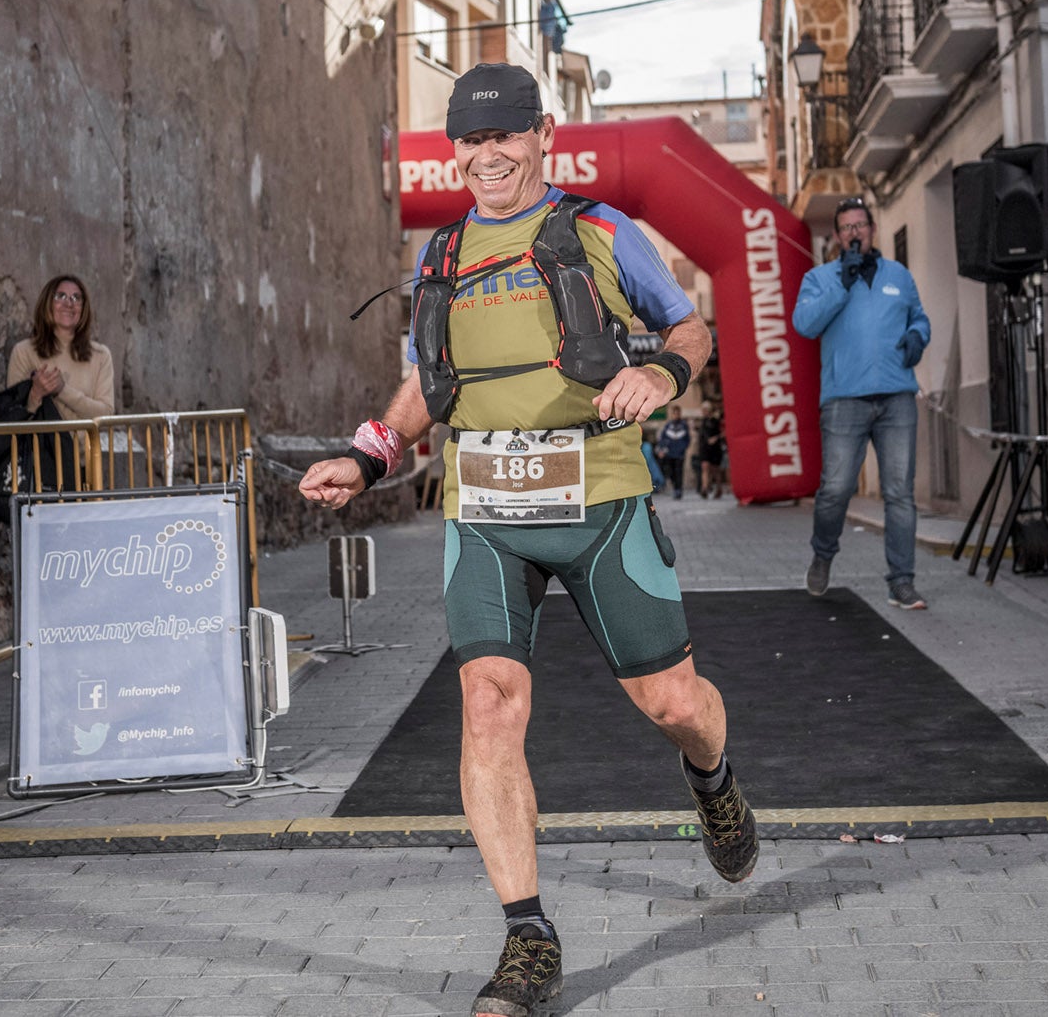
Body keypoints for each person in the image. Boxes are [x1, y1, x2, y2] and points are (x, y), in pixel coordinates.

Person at [300, 63, 757, 1017]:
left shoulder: (599, 230)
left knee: (673, 700)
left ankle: (712, 778)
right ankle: (528, 937)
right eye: (470, 139)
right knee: (488, 706)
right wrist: (367, 454)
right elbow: (432, 386)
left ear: (543, 134)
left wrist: (665, 377)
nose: (487, 155)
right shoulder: (441, 254)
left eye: (506, 136)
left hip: (598, 501)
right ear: (454, 148)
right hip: (486, 511)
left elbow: (690, 327)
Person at [791, 198, 930, 609]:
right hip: (844, 400)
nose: (854, 232)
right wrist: (842, 283)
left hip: (896, 397)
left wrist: (918, 337)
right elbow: (805, 324)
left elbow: (918, 317)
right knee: (835, 490)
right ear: (837, 237)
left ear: (872, 230)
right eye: (846, 227)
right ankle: (823, 553)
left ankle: (901, 581)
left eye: (861, 225)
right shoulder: (820, 278)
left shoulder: (898, 275)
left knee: (899, 494)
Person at [6, 275, 116, 421]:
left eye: (76, 298)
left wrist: (62, 390)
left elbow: (106, 414)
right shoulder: (23, 352)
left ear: (84, 309)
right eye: (60, 296)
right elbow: (11, 415)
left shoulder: (101, 355)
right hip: (37, 444)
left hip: (83, 445)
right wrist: (35, 395)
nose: (69, 303)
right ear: (47, 303)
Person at [654, 405, 691, 499]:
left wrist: (683, 448)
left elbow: (687, 439)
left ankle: (678, 489)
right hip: (670, 453)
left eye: (677, 413)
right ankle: (675, 487)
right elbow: (663, 438)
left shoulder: (683, 425)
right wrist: (662, 449)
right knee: (671, 472)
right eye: (674, 413)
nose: (676, 415)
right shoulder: (668, 426)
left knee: (679, 472)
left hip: (679, 453)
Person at [694, 409, 726, 499]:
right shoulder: (702, 422)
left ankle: (719, 488)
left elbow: (723, 432)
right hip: (704, 449)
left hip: (715, 449)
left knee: (715, 470)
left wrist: (716, 438)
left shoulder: (716, 422)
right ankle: (704, 488)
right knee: (705, 467)